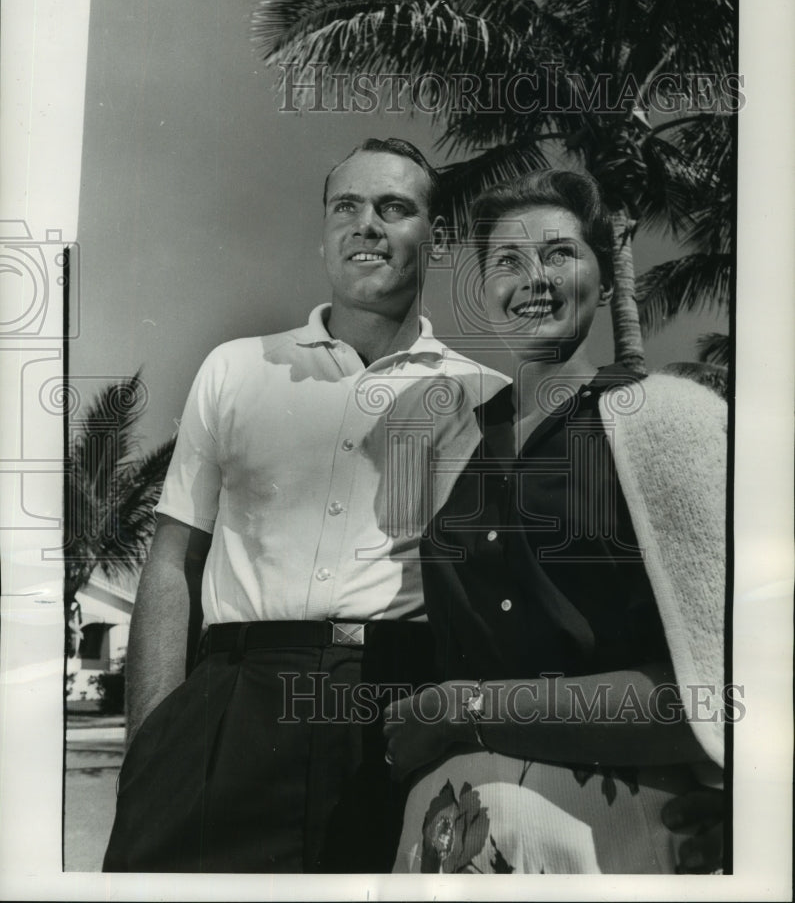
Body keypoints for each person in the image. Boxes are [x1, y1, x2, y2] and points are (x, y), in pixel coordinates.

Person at [101, 138, 509, 873]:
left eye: (394, 207)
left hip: (398, 709)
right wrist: (151, 746)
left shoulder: (487, 399)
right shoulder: (235, 369)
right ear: (324, 233)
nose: (366, 225)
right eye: (346, 207)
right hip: (232, 701)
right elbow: (172, 562)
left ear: (437, 237)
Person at [385, 169, 727, 874]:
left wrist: (462, 708)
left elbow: (722, 685)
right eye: (507, 262)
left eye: (559, 253)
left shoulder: (671, 420)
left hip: (614, 827)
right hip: (450, 829)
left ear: (602, 281)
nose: (533, 278)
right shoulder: (453, 441)